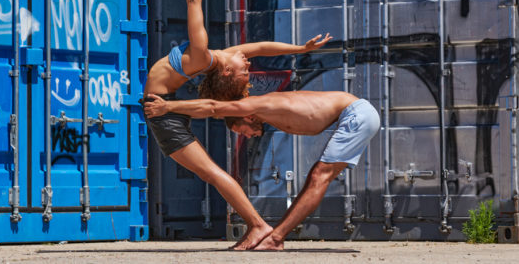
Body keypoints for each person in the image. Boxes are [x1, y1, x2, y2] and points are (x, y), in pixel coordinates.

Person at [144, 0, 333, 250]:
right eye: (247, 68)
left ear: (228, 72)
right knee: (211, 173)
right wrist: (300, 48)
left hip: (162, 111)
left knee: (212, 173)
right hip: (166, 108)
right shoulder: (220, 58)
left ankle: (258, 226)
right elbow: (260, 47)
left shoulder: (203, 54)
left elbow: (193, 1)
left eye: (244, 68)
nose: (247, 62)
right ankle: (256, 226)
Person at [143, 90, 380, 251]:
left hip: (356, 114)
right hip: (355, 116)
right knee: (317, 176)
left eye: (243, 131)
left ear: (245, 116)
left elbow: (213, 107)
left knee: (319, 177)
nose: (251, 135)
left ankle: (275, 238)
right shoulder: (266, 113)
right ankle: (275, 236)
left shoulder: (255, 104)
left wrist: (168, 107)